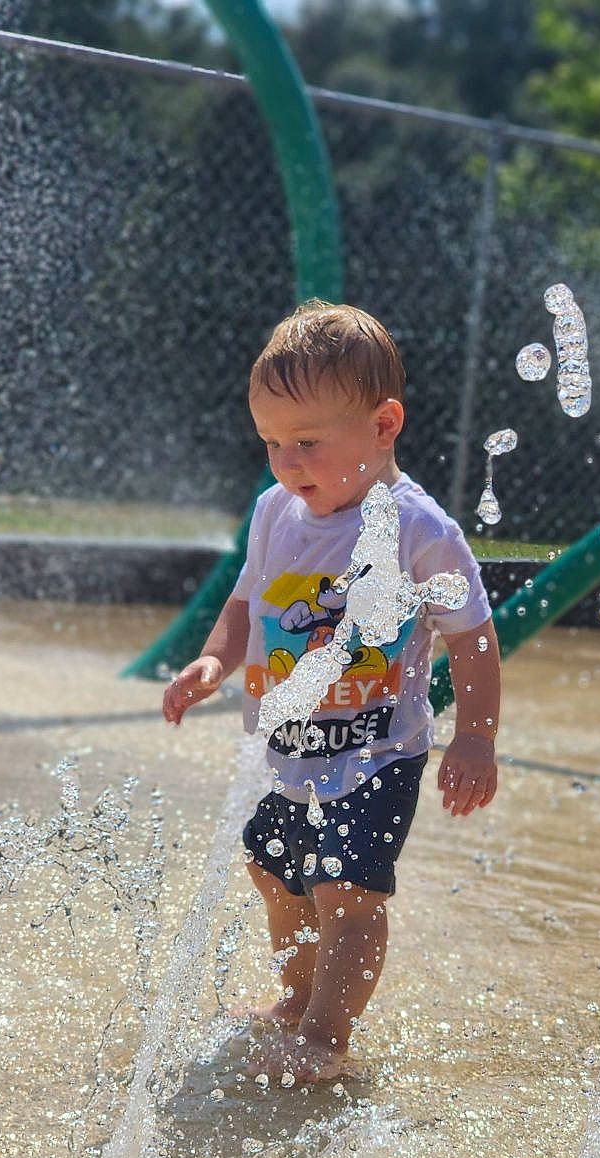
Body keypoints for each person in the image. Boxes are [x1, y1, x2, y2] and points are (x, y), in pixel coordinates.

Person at [162, 300, 500, 1085]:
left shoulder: (420, 530)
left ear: (384, 425)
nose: (288, 462)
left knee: (348, 893)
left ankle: (326, 1034)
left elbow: (473, 636)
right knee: (275, 874)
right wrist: (214, 662)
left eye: (308, 442)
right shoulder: (275, 512)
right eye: (273, 443)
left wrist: (476, 735)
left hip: (377, 754)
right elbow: (244, 603)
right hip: (284, 749)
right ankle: (296, 995)